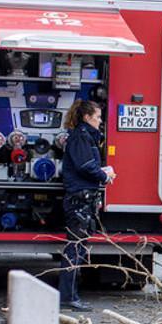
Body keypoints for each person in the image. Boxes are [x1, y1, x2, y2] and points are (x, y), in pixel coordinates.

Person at [58, 100, 115, 312]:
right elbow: (85, 166)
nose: (100, 121)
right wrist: (104, 175)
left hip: (83, 199)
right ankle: (67, 297)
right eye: (98, 117)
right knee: (75, 248)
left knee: (78, 247)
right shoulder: (82, 137)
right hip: (79, 200)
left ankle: (70, 295)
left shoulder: (84, 136)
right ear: (86, 117)